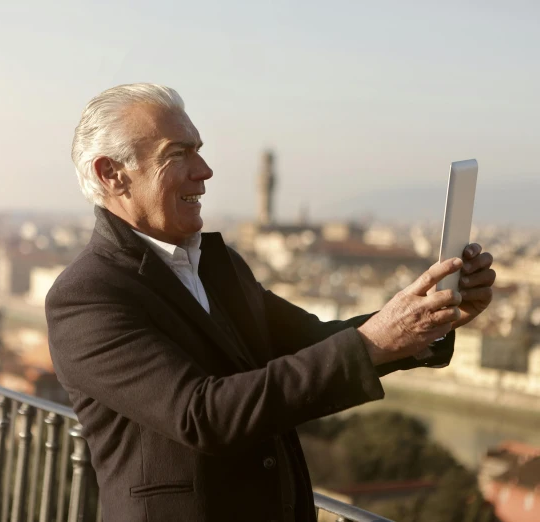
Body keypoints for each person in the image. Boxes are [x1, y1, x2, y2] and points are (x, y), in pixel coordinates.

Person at [45, 83, 496, 522]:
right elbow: (202, 415)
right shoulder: (86, 297)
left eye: (198, 149)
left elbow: (313, 341)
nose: (204, 171)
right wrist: (374, 341)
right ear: (112, 174)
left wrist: (429, 314)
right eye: (178, 154)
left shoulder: (219, 267)